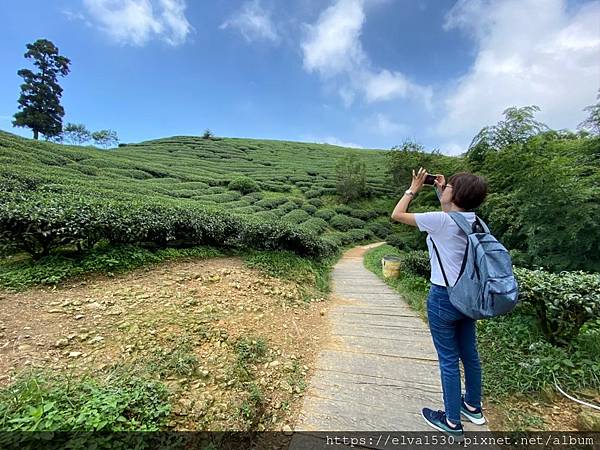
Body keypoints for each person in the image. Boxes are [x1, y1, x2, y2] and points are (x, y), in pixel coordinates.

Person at [390, 167, 488, 438]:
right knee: (469, 354)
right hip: (468, 296)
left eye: (449, 188)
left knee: (448, 359)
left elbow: (397, 214)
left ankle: (452, 422)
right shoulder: (475, 221)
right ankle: (473, 407)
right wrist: (439, 191)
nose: (444, 188)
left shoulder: (440, 222)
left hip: (444, 298)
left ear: (455, 195)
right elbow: (450, 216)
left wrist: (413, 188)